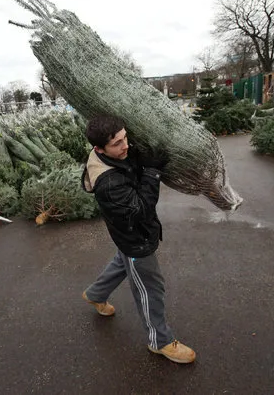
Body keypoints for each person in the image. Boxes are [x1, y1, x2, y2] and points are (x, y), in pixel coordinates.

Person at [80, 114, 196, 364]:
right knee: (150, 288)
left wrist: (142, 159)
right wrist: (152, 172)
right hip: (135, 239)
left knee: (123, 262)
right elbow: (141, 207)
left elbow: (128, 161)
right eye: (118, 144)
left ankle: (95, 293)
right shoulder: (108, 183)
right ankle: (160, 341)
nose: (126, 147)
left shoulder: (111, 154)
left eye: (125, 138)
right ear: (99, 148)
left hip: (128, 235)